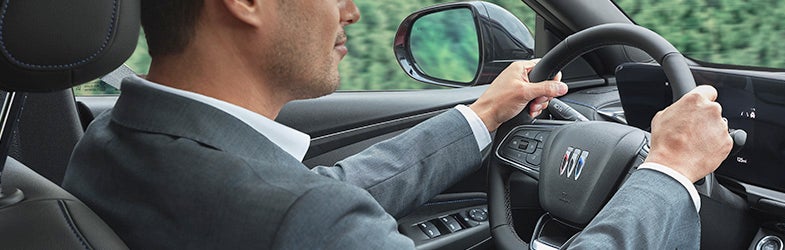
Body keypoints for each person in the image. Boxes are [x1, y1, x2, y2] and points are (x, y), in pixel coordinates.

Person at [62, 0, 731, 248]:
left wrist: (480, 116)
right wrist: (668, 173)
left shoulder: (116, 140)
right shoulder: (293, 220)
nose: (349, 12)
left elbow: (326, 191)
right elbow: (313, 214)